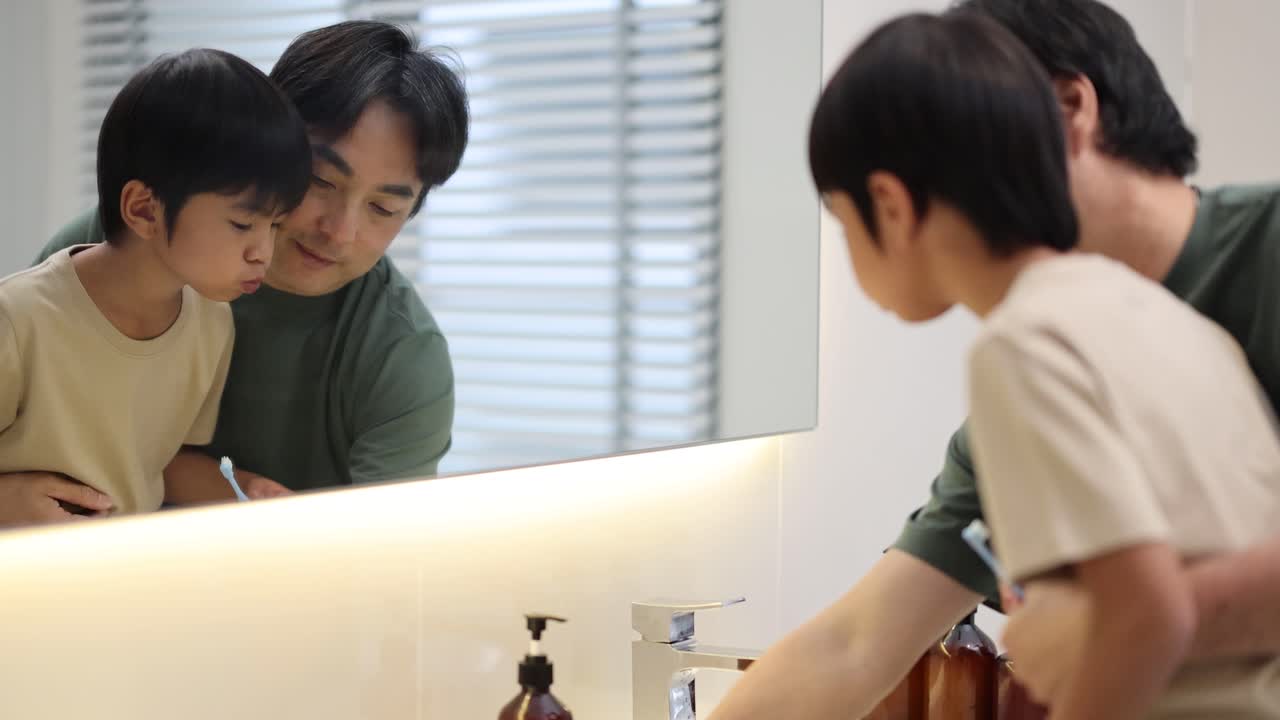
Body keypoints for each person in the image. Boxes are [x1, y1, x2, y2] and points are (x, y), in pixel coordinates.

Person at [709, 2, 1280, 718]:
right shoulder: (1135, 333)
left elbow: (1148, 612)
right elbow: (857, 645)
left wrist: (1105, 629)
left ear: (1067, 109)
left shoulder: (1027, 350)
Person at [20, 21, 470, 514]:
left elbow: (390, 556)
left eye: (383, 209)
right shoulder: (125, 246)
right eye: (321, 180)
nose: (339, 231)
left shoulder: (401, 357)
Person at [0, 49, 310, 527]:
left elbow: (158, 464)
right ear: (143, 209)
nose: (263, 253)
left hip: (122, 576)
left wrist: (244, 490)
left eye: (274, 225)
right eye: (243, 222)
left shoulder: (212, 322)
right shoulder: (18, 320)